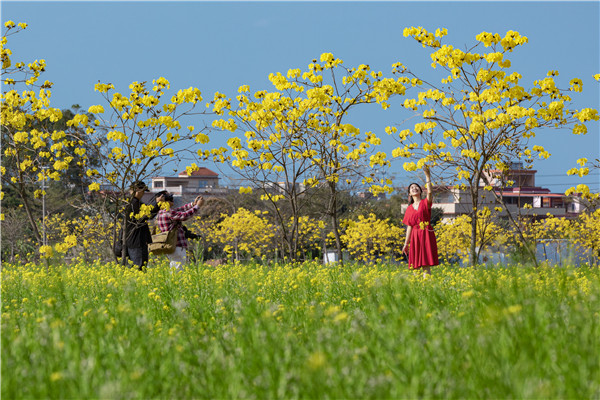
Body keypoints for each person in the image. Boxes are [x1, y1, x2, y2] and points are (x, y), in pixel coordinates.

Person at [402, 165, 439, 275]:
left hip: (426, 233)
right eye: (412, 188)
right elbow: (409, 227)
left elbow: (430, 192)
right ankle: (417, 284)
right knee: (415, 265)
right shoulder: (409, 209)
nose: (414, 188)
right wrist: (406, 244)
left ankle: (427, 284)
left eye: (416, 187)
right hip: (415, 236)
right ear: (409, 193)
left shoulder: (425, 203)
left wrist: (427, 176)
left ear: (420, 190)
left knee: (426, 264)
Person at [121, 181, 164, 271]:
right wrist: (156, 203)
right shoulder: (133, 203)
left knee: (137, 268)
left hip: (134, 241)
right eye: (143, 191)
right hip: (137, 242)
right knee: (139, 268)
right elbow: (145, 216)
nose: (143, 194)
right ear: (137, 190)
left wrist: (156, 204)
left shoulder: (131, 202)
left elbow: (147, 214)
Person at [156, 193, 204, 270]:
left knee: (175, 268)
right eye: (169, 198)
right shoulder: (167, 212)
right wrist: (197, 206)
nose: (172, 200)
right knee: (178, 270)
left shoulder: (161, 212)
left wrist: (192, 204)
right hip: (177, 246)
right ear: (166, 201)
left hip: (172, 245)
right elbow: (184, 216)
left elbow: (179, 210)